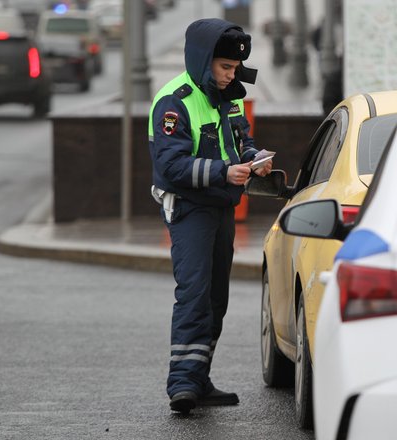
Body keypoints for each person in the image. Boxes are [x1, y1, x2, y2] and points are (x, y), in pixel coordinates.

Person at [148, 18, 272, 414]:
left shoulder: (229, 96)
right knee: (195, 294)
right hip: (188, 208)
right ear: (204, 61)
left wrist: (255, 160)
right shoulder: (175, 101)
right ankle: (182, 384)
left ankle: (199, 378)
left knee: (216, 297)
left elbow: (241, 142)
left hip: (220, 206)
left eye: (235, 69)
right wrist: (223, 171)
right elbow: (171, 165)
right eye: (225, 68)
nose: (231, 76)